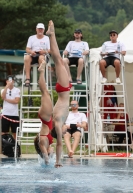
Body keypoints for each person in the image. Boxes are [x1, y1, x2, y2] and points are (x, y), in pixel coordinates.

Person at [46, 20, 72, 168]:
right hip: (66, 88)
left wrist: (58, 162)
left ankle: (52, 34)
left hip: (63, 89)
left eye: (63, 131)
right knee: (61, 61)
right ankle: (51, 35)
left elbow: (59, 144)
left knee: (58, 60)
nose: (65, 130)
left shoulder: (57, 124)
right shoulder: (57, 122)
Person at [34, 60, 54, 165]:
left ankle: (41, 72)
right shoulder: (48, 143)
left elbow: (46, 159)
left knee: (45, 92)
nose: (52, 151)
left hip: (45, 118)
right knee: (45, 93)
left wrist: (47, 159)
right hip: (47, 118)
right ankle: (41, 72)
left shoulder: (43, 141)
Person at [1, 75, 20, 139]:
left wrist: (6, 99)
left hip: (14, 114)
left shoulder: (17, 90)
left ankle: (16, 146)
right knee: (4, 132)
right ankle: (4, 147)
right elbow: (3, 96)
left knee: (15, 132)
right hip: (5, 114)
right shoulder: (3, 90)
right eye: (9, 80)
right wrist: (7, 86)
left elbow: (16, 101)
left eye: (11, 80)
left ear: (13, 81)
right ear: (6, 81)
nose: (10, 82)